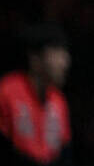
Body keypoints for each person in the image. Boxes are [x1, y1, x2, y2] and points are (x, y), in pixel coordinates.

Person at [0, 24, 72, 166]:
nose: (65, 62)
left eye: (65, 54)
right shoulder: (7, 92)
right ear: (35, 58)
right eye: (57, 53)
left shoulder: (59, 101)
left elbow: (64, 153)